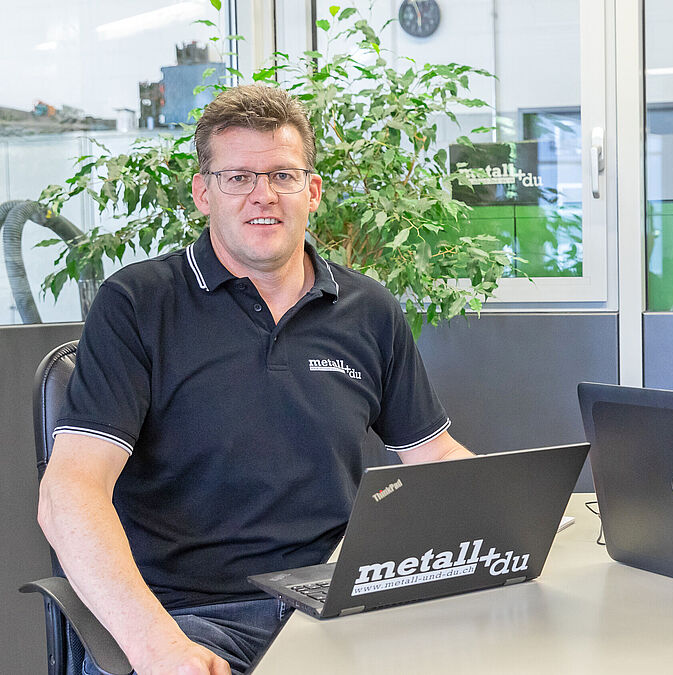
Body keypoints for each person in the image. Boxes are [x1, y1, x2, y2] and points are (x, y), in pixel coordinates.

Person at [37, 85, 472, 675]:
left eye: (283, 176)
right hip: (190, 620)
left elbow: (433, 452)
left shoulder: (368, 309)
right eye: (238, 176)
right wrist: (157, 647)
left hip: (336, 608)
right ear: (203, 193)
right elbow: (70, 496)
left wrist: (509, 516)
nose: (262, 195)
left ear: (311, 191)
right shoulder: (138, 305)